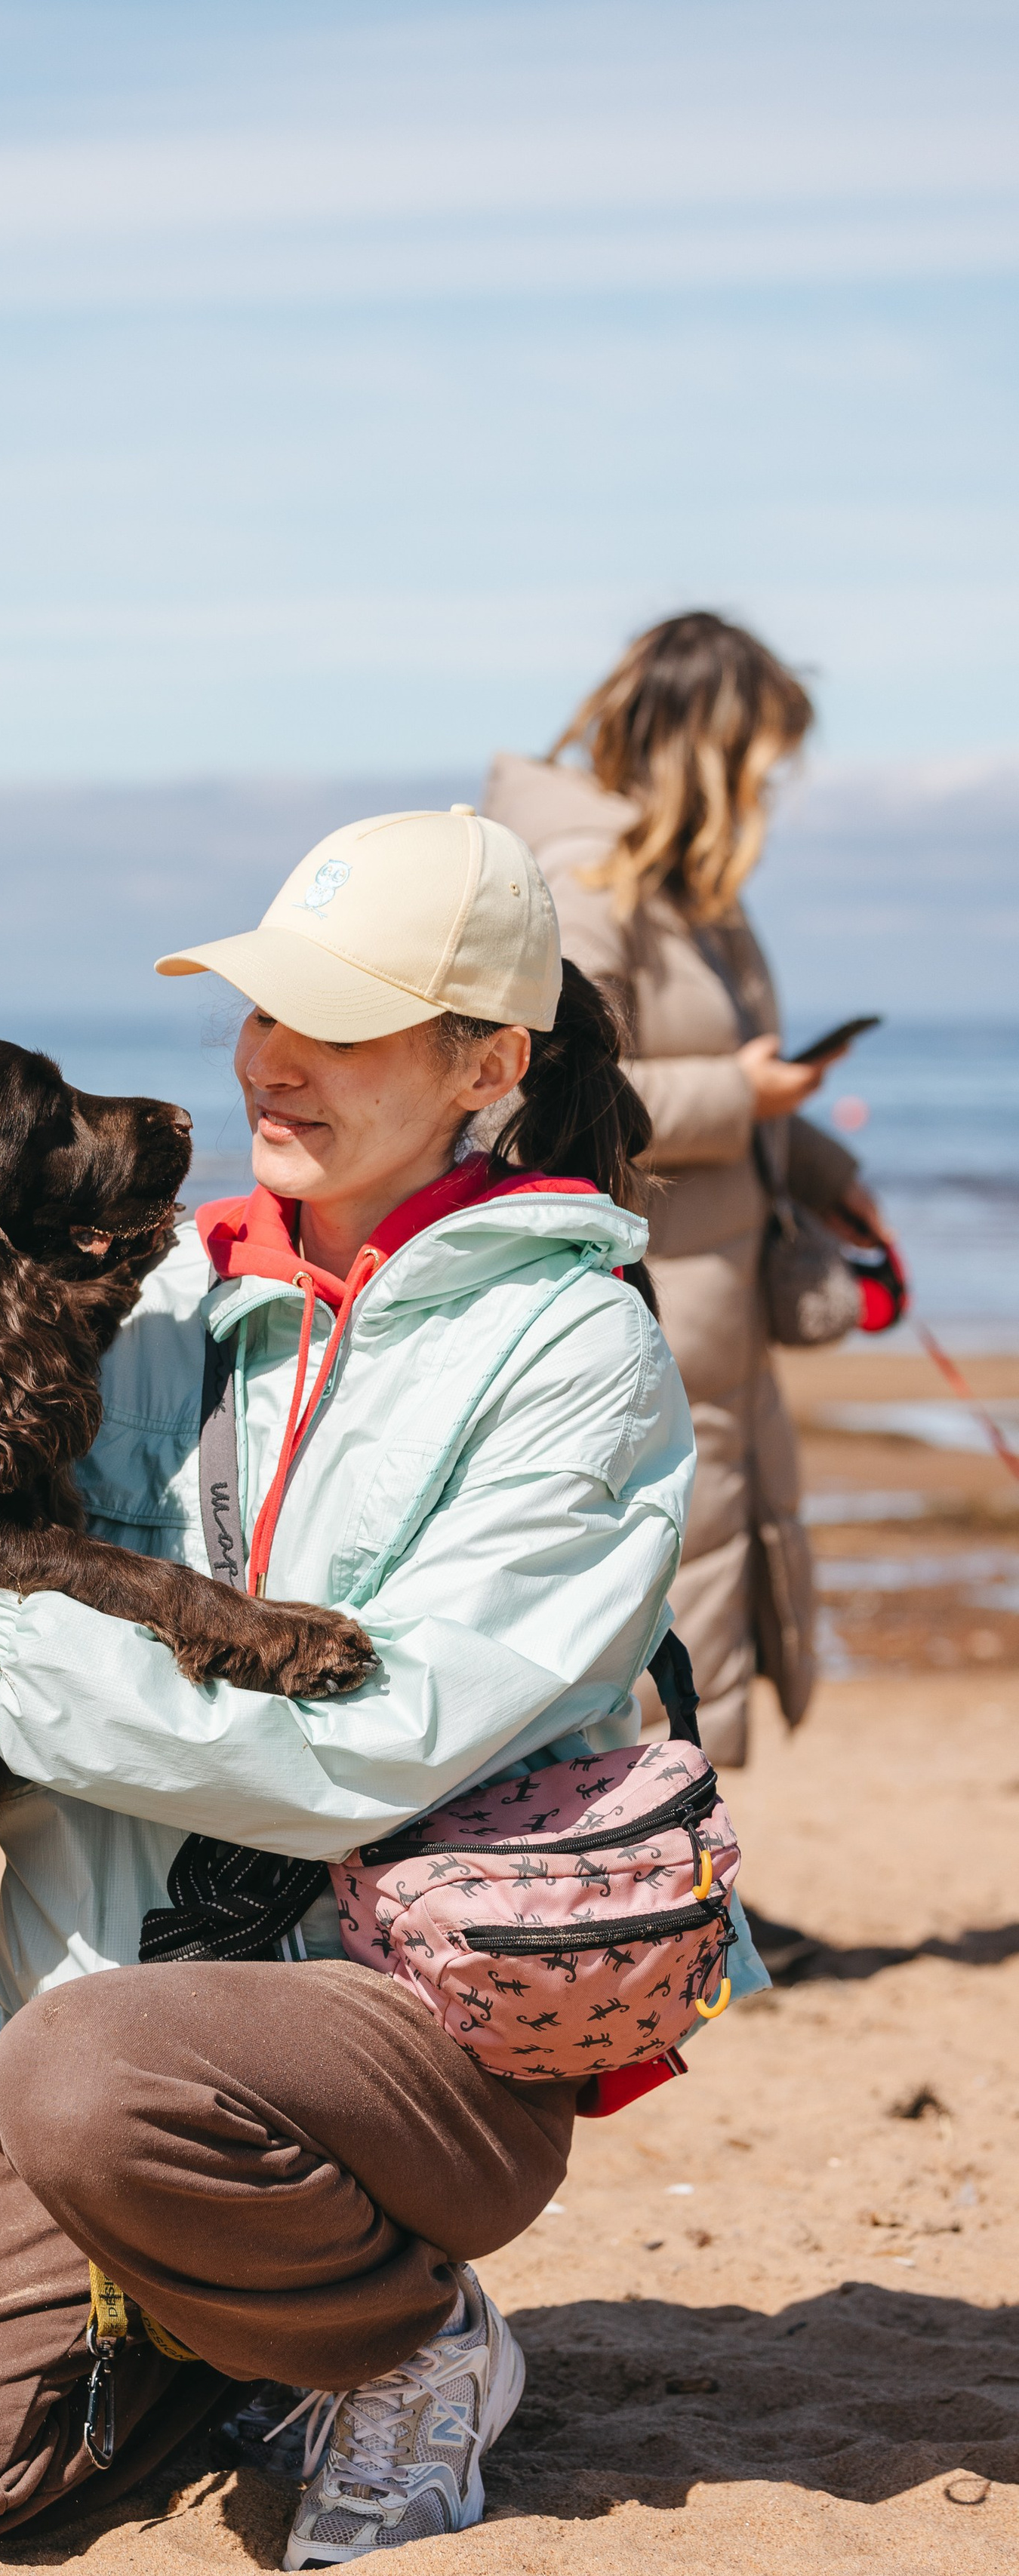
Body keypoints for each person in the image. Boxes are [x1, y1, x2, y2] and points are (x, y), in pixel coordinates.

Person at [0, 807, 757, 2571]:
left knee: (91, 2067)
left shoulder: (574, 1350)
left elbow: (366, 1752)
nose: (275, 1062)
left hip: (399, 2021)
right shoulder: (160, 1300)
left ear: (486, 1061)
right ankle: (225, 2333)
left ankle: (401, 2342)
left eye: (342, 1022)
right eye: (261, 1011)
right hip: (100, 2048)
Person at [482, 616, 879, 1769]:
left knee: (713, 1579)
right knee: (661, 1593)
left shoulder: (688, 886)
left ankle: (704, 1891)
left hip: (718, 1296)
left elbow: (735, 1080)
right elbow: (543, 1089)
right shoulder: (586, 880)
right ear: (712, 750)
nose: (774, 790)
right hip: (650, 1292)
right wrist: (739, 1094)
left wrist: (826, 1171)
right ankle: (662, 1897)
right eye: (764, 760)